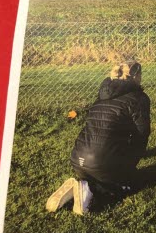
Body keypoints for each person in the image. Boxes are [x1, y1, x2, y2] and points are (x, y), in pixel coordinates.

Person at [46, 60, 150, 215]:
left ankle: (80, 183)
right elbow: (142, 133)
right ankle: (91, 189)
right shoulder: (139, 98)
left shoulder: (103, 93)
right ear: (136, 76)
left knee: (100, 168)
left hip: (78, 159)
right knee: (126, 186)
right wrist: (130, 163)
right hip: (101, 163)